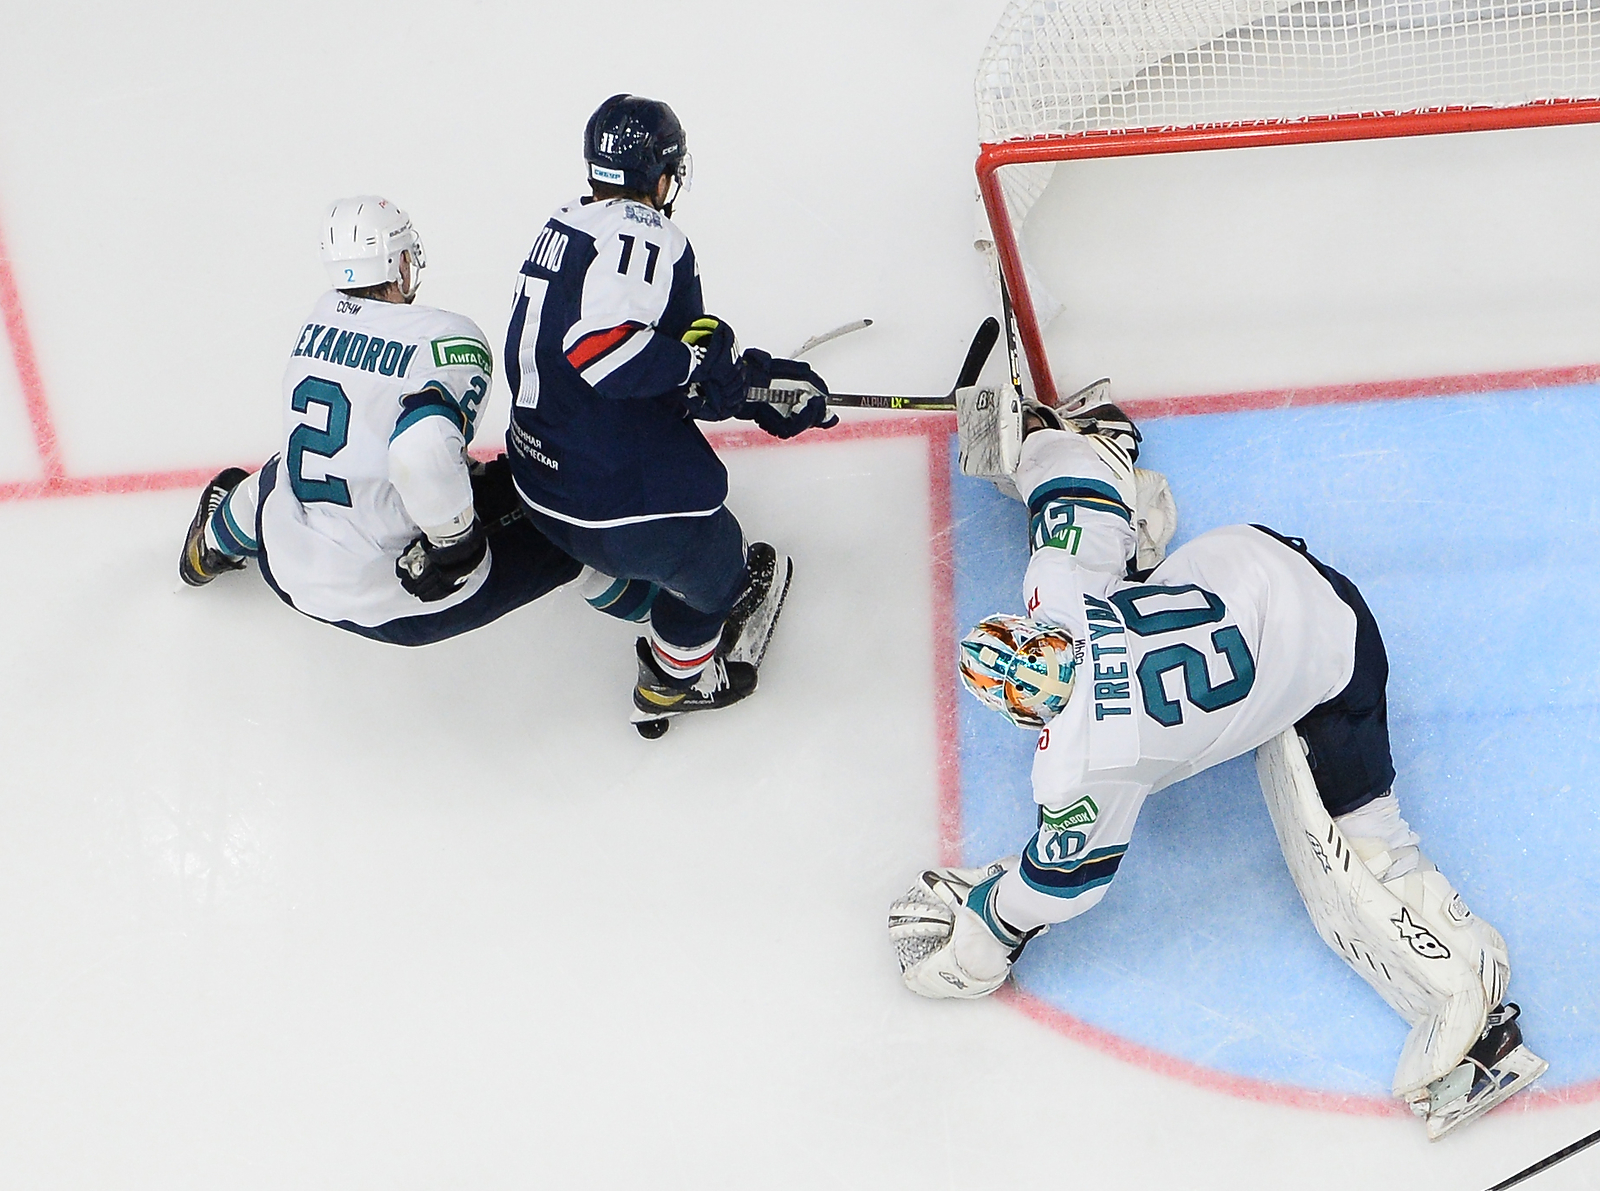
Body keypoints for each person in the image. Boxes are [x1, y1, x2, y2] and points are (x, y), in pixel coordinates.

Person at [887, 397, 1545, 1138]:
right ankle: (1147, 544)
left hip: (1337, 657)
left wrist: (989, 926)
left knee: (1370, 839)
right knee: (1110, 555)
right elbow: (1076, 504)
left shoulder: (1084, 766)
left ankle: (1474, 1012)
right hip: (1268, 562)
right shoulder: (1060, 597)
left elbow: (1065, 882)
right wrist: (1042, 444)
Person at [179, 195, 659, 646]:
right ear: (398, 262)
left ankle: (211, 547)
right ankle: (675, 639)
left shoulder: (318, 321)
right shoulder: (445, 339)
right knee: (568, 521)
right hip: (394, 593)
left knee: (281, 473)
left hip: (291, 567)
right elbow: (421, 447)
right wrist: (455, 542)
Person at [504, 94, 837, 736]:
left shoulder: (566, 223)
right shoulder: (646, 232)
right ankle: (671, 686)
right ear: (660, 174)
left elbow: (636, 356)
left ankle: (618, 586)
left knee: (625, 538)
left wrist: (746, 383)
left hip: (536, 477)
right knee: (717, 567)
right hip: (609, 507)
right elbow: (605, 353)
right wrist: (700, 370)